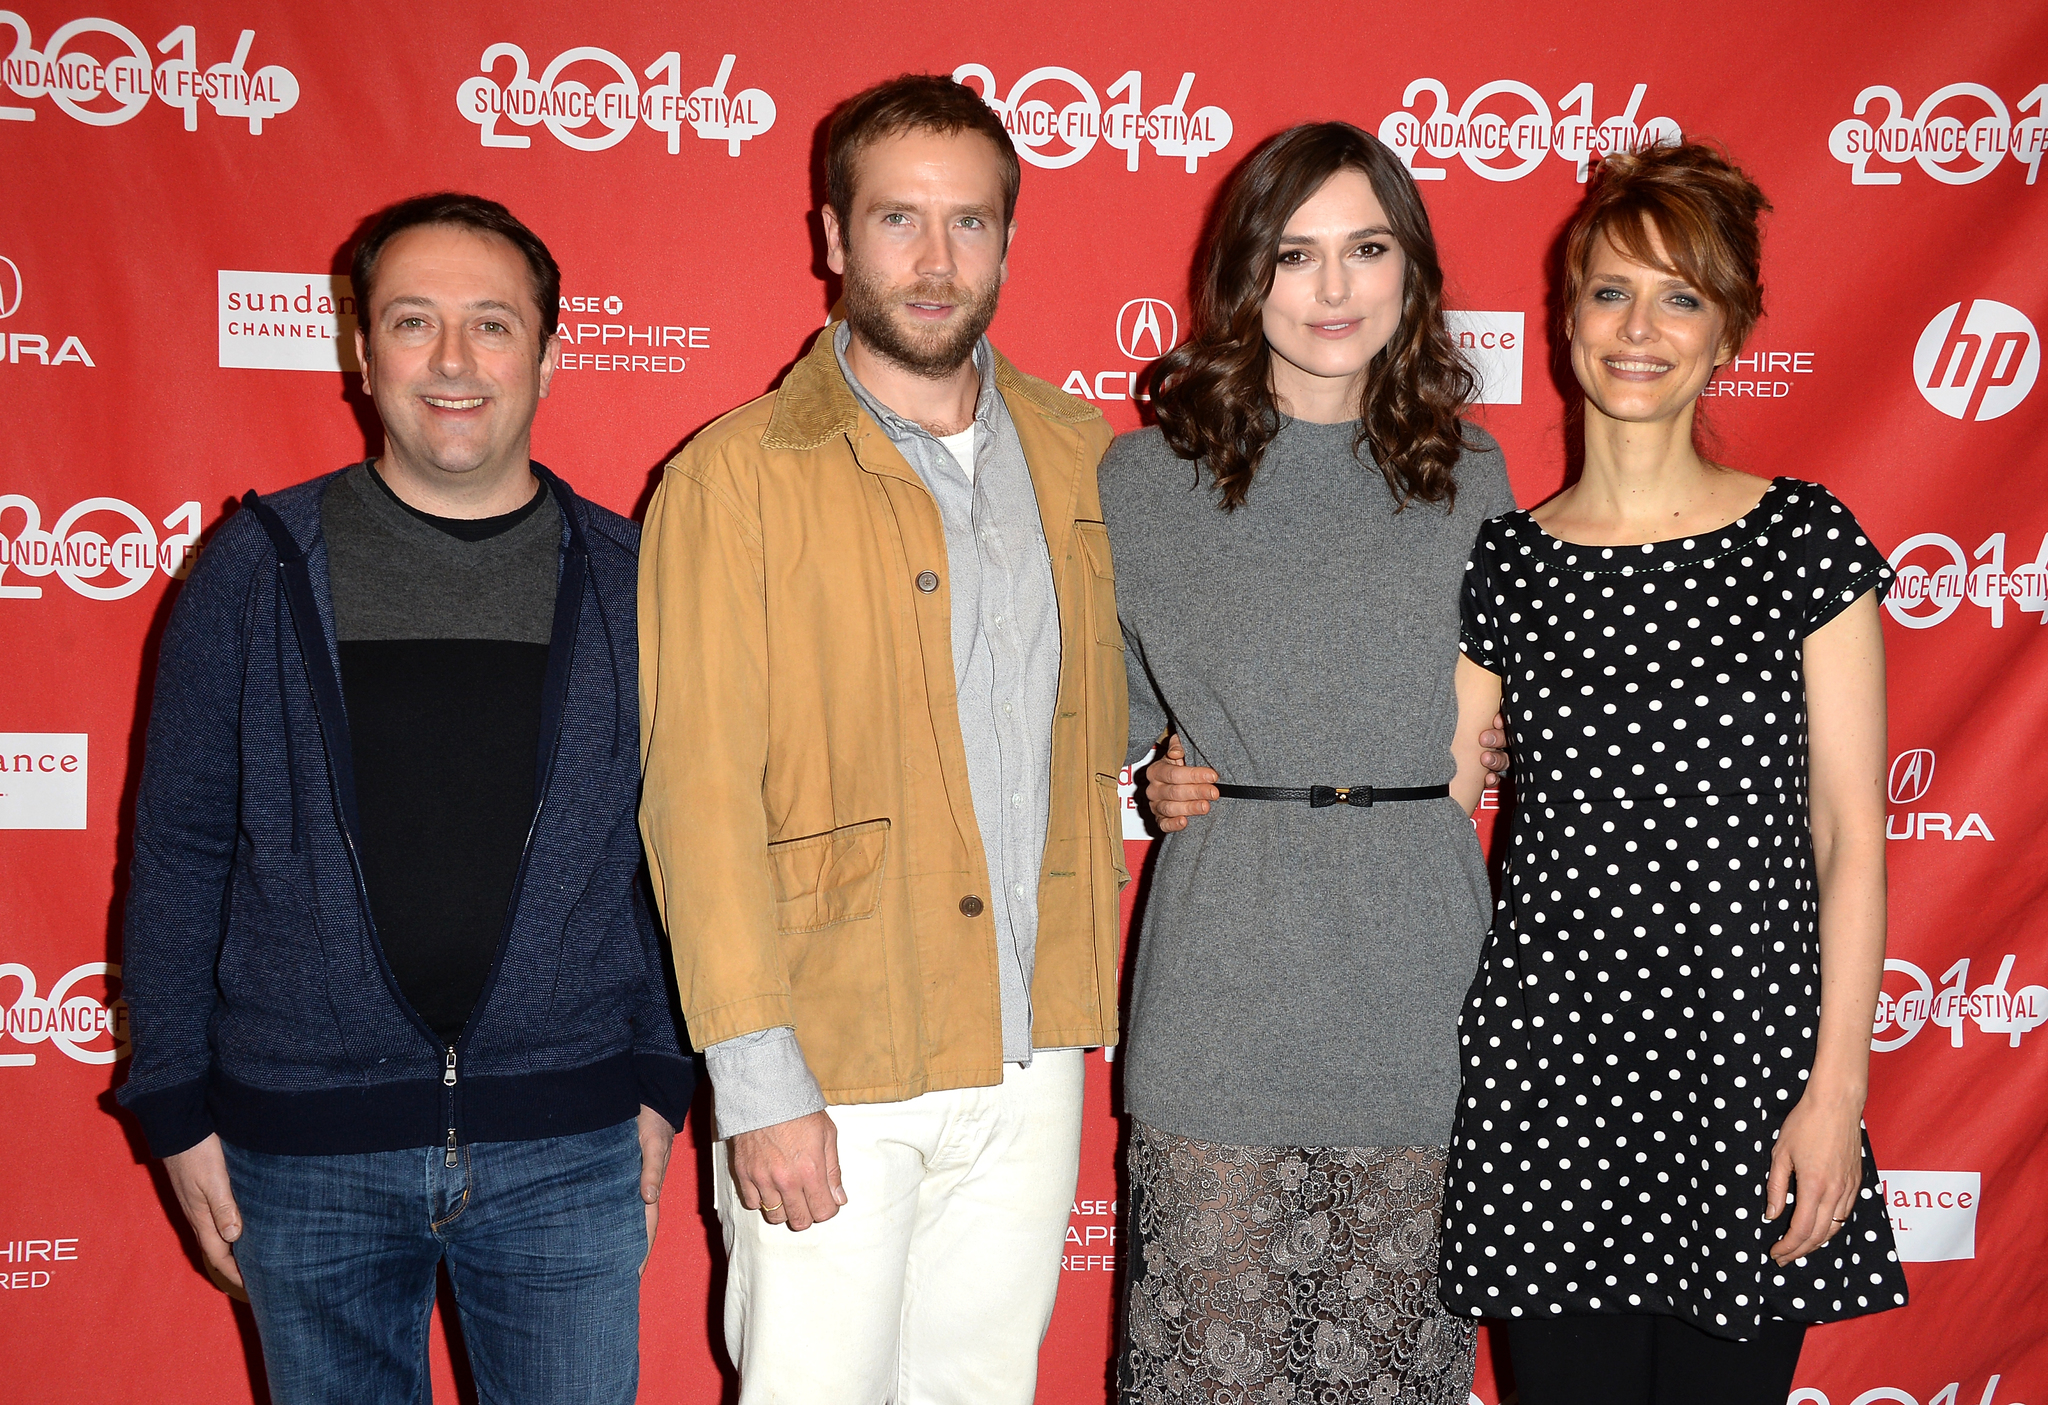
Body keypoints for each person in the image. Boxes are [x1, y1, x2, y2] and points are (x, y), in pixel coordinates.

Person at [117, 193, 693, 1405]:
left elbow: (671, 850)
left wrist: (657, 1073)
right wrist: (171, 1104)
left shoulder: (631, 583)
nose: (452, 361)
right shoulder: (260, 570)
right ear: (359, 347)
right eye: (413, 320)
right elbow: (175, 845)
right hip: (302, 1143)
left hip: (566, 1140)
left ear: (548, 346)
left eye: (490, 324)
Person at [636, 75, 1127, 1403]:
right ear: (833, 238)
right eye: (899, 221)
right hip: (831, 1059)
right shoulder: (732, 477)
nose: (935, 260)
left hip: (1030, 1047)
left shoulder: (1086, 458)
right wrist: (756, 1078)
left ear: (1009, 245)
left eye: (969, 224)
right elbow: (697, 798)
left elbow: (1109, 714)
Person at [1437, 142, 1908, 1403]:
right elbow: (1428, 815)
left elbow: (1849, 835)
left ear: (1728, 335)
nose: (1637, 329)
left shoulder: (1801, 541)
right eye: (1608, 291)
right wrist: (1216, 775)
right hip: (1547, 1078)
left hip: (1745, 1069)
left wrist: (1833, 1091)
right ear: (1562, 318)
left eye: (1680, 297)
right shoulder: (1505, 564)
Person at [1099, 122, 1516, 1405]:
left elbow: (1478, 744)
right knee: (1200, 1379)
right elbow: (1106, 729)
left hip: (1418, 994)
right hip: (1221, 989)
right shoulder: (1143, 479)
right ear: (1244, 275)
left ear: (1410, 273)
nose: (1333, 290)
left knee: (1394, 1380)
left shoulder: (1472, 474)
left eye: (1366, 249)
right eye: (1295, 254)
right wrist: (1155, 774)